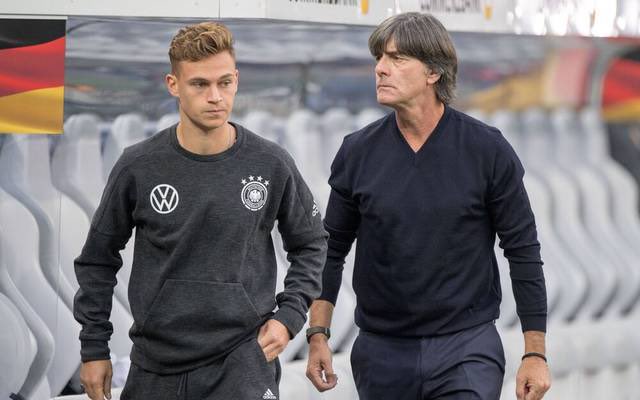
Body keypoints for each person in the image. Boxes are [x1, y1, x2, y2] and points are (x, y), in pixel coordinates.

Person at [73, 21, 328, 400]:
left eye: (224, 83)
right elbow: (97, 259)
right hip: (156, 365)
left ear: (237, 80)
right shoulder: (139, 166)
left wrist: (289, 317)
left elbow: (311, 243)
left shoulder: (271, 163)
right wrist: (94, 348)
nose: (215, 97)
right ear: (173, 85)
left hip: (243, 362)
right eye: (199, 84)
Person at [305, 12, 551, 400]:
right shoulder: (357, 152)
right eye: (379, 58)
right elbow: (330, 251)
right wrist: (318, 333)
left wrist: (535, 352)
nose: (381, 69)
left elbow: (522, 251)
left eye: (397, 58)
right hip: (381, 351)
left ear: (433, 72)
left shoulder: (487, 150)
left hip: (466, 348)